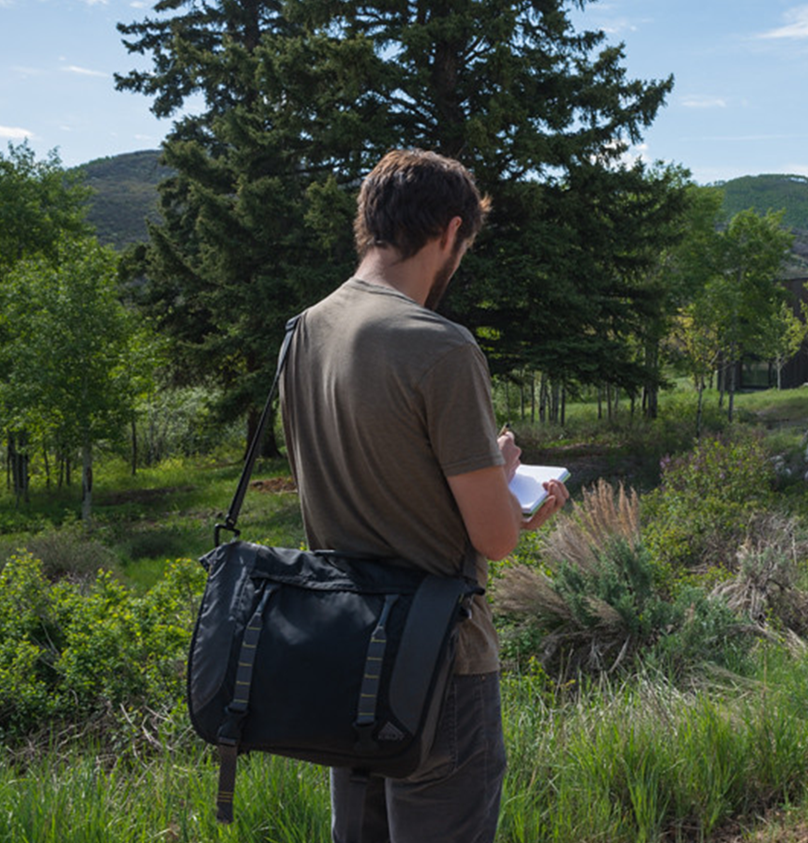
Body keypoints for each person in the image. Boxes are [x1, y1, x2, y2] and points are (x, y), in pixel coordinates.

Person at [280, 148, 568, 843]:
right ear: (448, 232)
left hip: (343, 649)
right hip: (439, 662)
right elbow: (494, 538)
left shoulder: (304, 331)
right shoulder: (439, 347)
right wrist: (504, 482)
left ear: (369, 222)